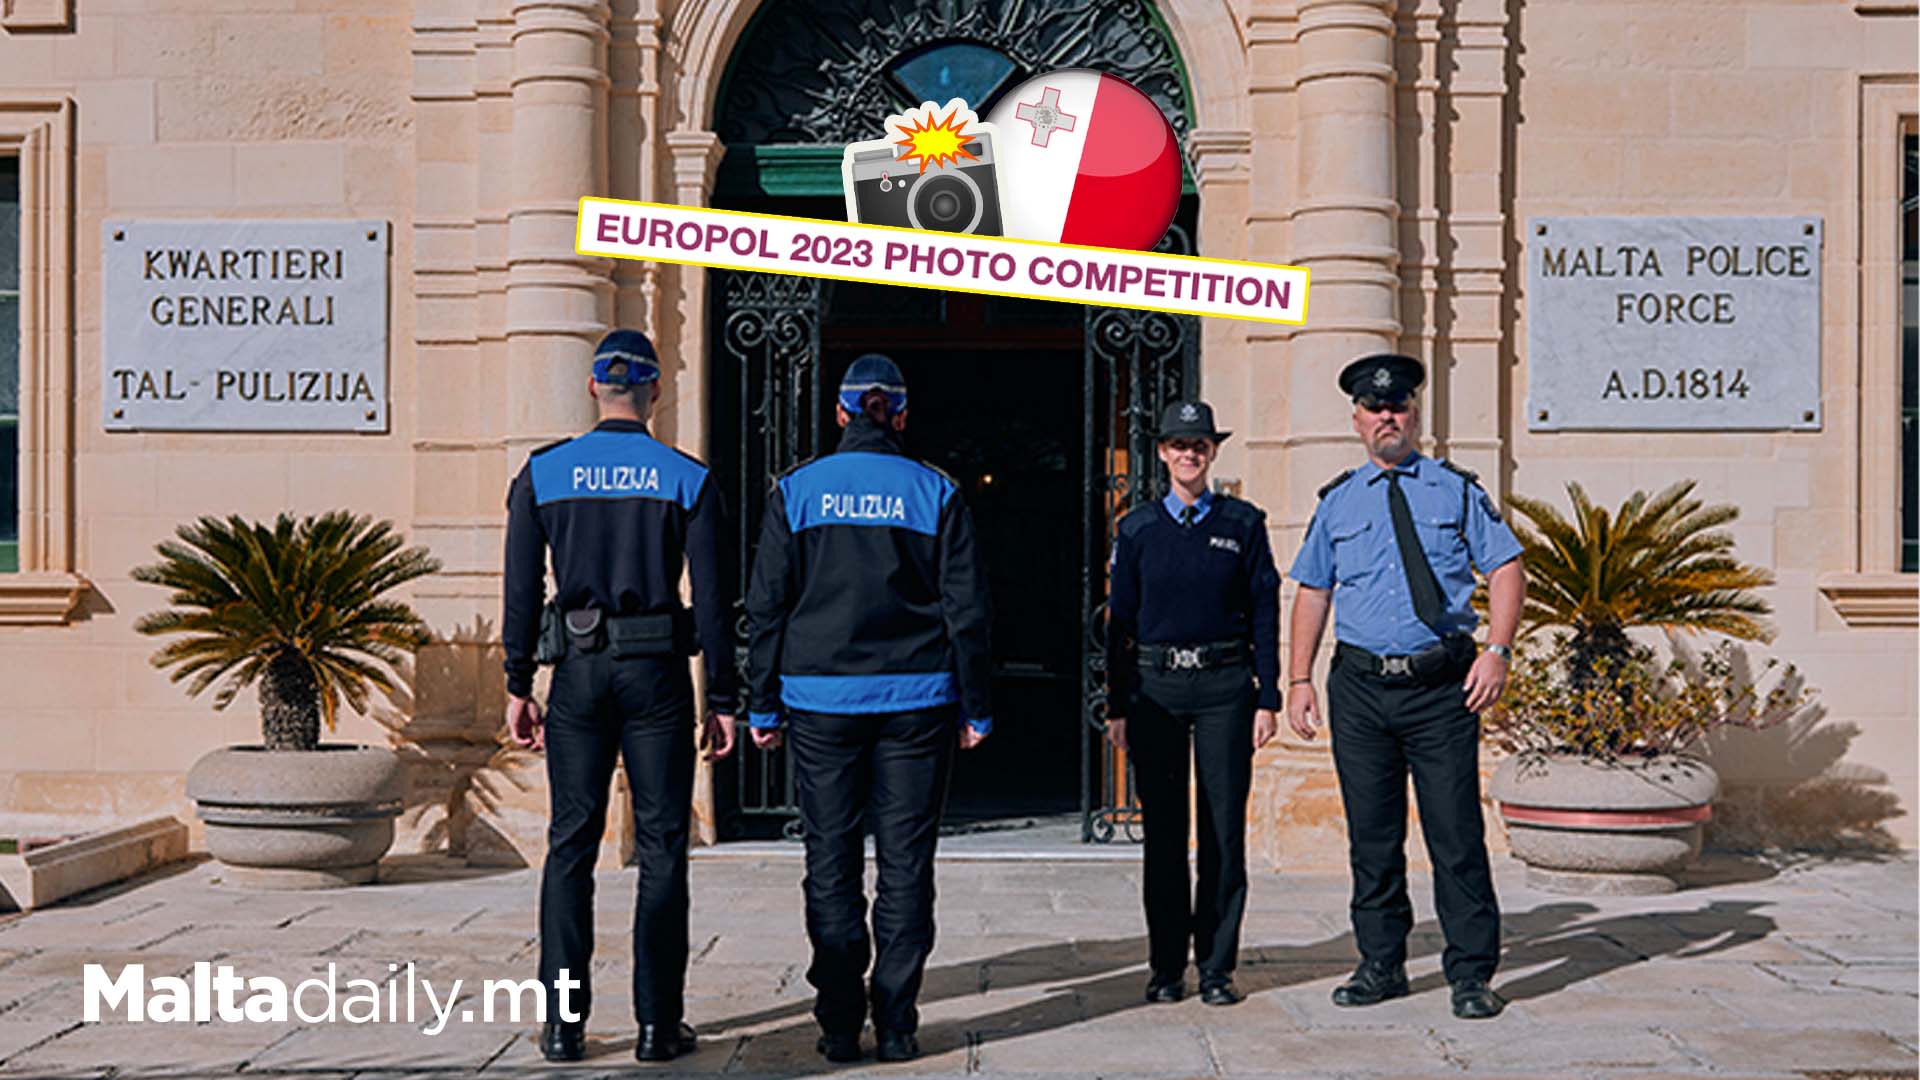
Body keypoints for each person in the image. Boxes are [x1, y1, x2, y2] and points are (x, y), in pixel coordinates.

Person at [744, 353, 994, 1064]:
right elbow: (967, 610)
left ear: (841, 413)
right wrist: (976, 706)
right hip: (918, 698)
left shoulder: (797, 489)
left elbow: (767, 605)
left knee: (831, 861)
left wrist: (761, 703)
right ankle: (896, 1022)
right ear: (902, 416)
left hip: (819, 700)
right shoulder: (936, 490)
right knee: (907, 864)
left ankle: (836, 1021)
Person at [501, 329, 739, 1063]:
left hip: (576, 674)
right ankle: (658, 1026)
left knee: (571, 844)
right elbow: (714, 597)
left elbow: (520, 588)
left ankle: (562, 1026)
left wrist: (518, 681)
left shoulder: (543, 473)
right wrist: (722, 698)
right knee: (663, 846)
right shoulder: (686, 477)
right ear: (655, 391)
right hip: (657, 675)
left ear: (593, 388)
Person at [1285, 352, 1526, 1021]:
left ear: (1414, 415)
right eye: (1374, 408)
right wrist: (1298, 679)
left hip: (1440, 688)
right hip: (1360, 689)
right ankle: (1381, 964)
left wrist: (1497, 651)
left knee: (1456, 834)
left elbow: (1506, 567)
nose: (1386, 416)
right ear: (1357, 420)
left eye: (1397, 406)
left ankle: (1471, 973)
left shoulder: (1455, 490)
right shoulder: (1338, 501)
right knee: (1372, 837)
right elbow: (1313, 590)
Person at [1104, 400, 1282, 1008]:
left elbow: (1264, 609)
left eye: (1199, 445)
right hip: (1156, 688)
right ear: (1162, 453)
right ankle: (1165, 968)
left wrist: (1268, 695)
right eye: (1179, 445)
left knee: (1222, 830)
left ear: (1213, 452)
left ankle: (1216, 967)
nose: (1189, 454)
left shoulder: (1243, 523)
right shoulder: (1137, 529)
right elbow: (1120, 621)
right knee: (1164, 834)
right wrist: (1118, 705)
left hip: (1224, 688)